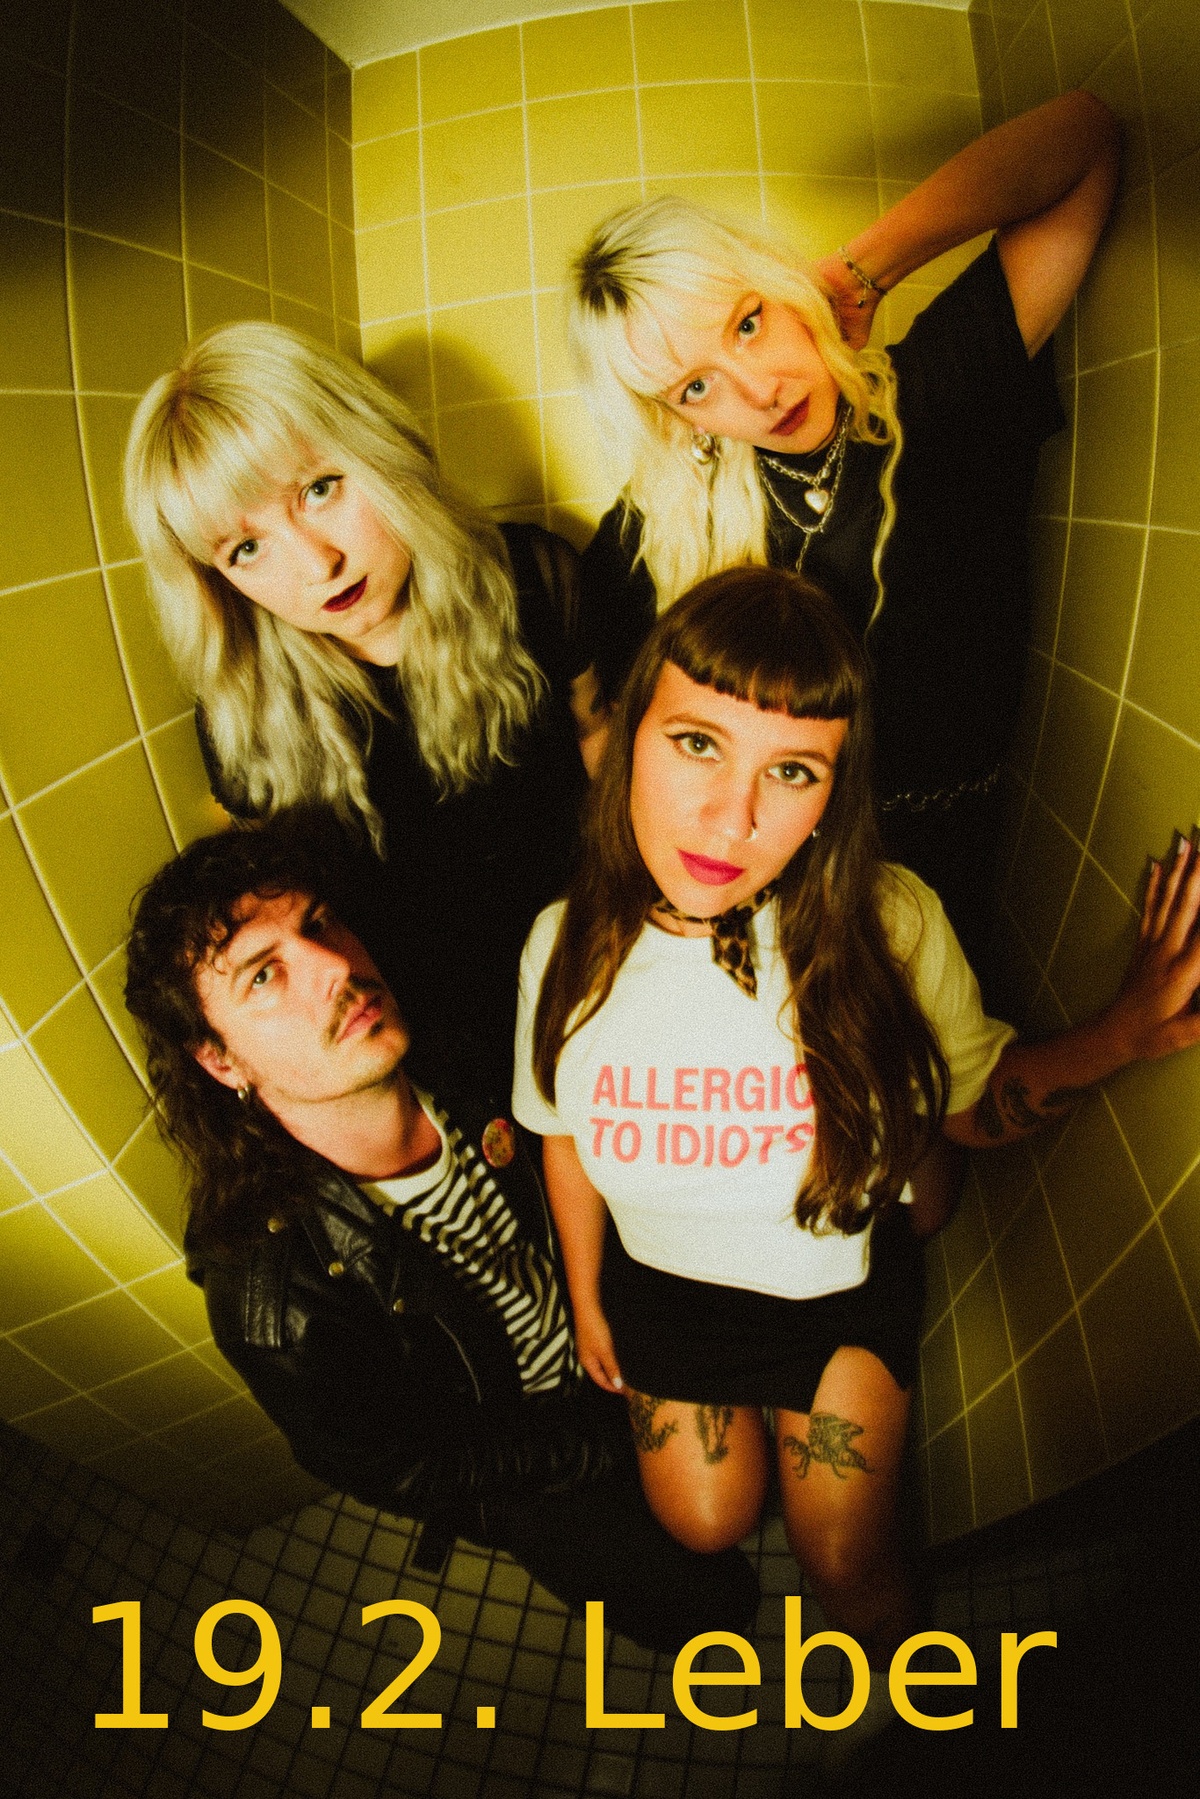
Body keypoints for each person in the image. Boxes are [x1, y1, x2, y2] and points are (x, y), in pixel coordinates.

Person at [513, 567, 1200, 1680]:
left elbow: (979, 1105)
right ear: (629, 733)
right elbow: (560, 1132)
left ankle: (906, 1727)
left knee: (846, 1566)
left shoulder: (890, 920)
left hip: (832, 1288)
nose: (732, 817)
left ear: (833, 792)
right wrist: (589, 1296)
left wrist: (1120, 1034)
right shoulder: (561, 945)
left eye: (790, 770)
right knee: (703, 1520)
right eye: (697, 743)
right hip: (666, 1287)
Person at [123, 818, 757, 1655]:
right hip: (524, 1452)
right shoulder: (275, 1303)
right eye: (265, 974)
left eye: (320, 923)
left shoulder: (456, 1049)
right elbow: (407, 1466)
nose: (337, 967)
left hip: (600, 1312)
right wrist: (592, 1442)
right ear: (220, 1061)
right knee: (709, 1607)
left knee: (747, 1476)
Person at [568, 91, 1121, 954]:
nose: (760, 390)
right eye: (696, 386)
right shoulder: (666, 523)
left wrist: (862, 271)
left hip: (948, 863)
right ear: (677, 417)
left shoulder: (937, 395)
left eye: (748, 323)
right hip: (768, 890)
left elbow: (1084, 140)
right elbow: (597, 708)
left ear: (779, 286)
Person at [124, 325, 607, 1094]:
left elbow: (602, 747)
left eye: (320, 489)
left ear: (376, 445)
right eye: (246, 549)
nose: (318, 564)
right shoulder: (245, 722)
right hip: (421, 1057)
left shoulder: (534, 579)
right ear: (216, 583)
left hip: (592, 979)